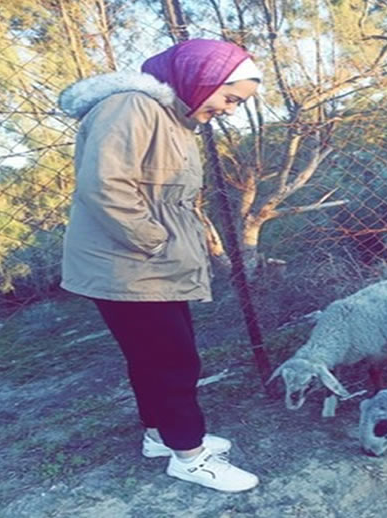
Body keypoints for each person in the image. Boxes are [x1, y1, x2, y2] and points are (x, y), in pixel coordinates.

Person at [56, 39, 262, 493]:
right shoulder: (132, 107)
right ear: (202, 79)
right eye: (230, 98)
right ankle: (188, 455)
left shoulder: (172, 119)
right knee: (173, 361)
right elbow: (105, 185)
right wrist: (156, 240)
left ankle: (161, 436)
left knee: (154, 358)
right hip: (130, 264)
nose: (230, 110)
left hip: (147, 265)